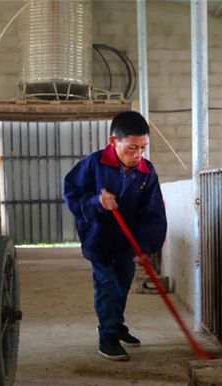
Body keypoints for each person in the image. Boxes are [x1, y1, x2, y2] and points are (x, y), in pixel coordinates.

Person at [63, 111, 167, 361]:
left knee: (122, 283)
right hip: (98, 239)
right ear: (114, 142)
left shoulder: (146, 172)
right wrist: (96, 201)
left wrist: (146, 246)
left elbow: (153, 211)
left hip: (127, 243)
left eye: (143, 148)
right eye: (132, 148)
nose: (137, 154)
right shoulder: (94, 164)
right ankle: (107, 336)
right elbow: (72, 193)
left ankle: (116, 325)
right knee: (107, 285)